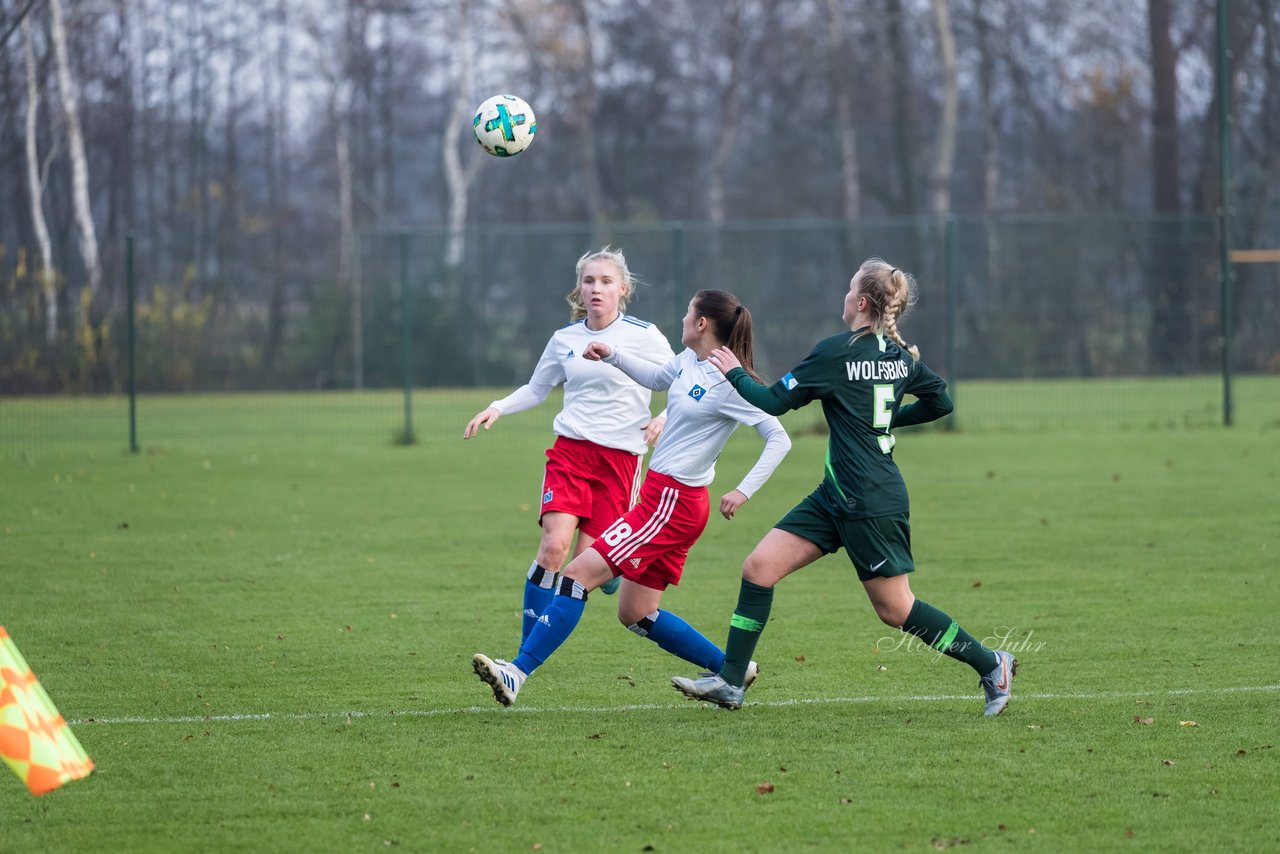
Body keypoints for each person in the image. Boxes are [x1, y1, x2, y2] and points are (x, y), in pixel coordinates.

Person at [672, 258, 1017, 716]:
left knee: (895, 609)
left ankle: (992, 663)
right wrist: (890, 420)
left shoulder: (836, 352)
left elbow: (773, 400)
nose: (844, 295)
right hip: (837, 494)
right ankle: (731, 682)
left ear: (860, 301)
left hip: (871, 501)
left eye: (849, 287)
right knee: (758, 568)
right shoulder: (898, 356)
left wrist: (734, 370)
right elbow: (942, 401)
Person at [472, 290, 792, 706]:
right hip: (664, 500)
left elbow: (778, 437)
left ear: (702, 324)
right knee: (635, 612)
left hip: (671, 505)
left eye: (688, 310)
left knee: (575, 576)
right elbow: (657, 378)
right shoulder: (689, 361)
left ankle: (517, 672)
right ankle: (730, 670)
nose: (682, 316)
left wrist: (743, 490)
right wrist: (612, 355)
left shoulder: (729, 382)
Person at [463, 247, 674, 653]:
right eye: (589, 281)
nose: (596, 288)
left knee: (584, 568)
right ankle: (522, 660)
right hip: (570, 455)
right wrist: (497, 407)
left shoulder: (644, 336)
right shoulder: (565, 339)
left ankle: (607, 575)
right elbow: (538, 388)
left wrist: (663, 417)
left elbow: (680, 380)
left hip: (620, 464)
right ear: (579, 288)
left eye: (606, 281)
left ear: (623, 289)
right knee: (554, 548)